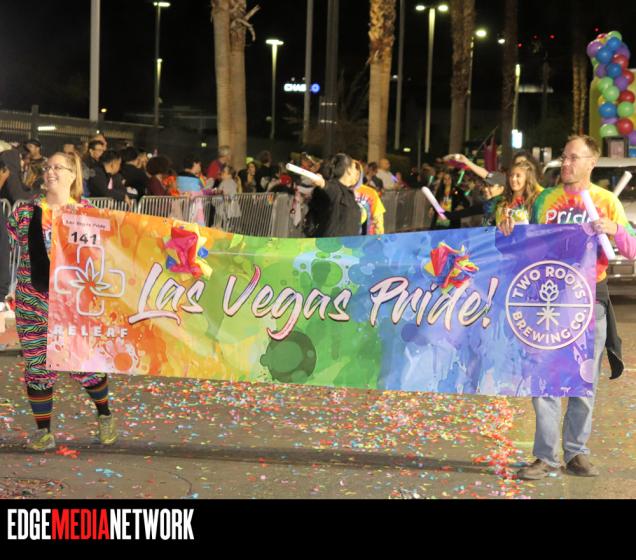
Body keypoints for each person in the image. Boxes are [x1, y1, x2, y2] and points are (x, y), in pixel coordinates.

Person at [499, 135, 636, 479]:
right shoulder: (545, 199)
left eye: (574, 157)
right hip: (547, 298)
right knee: (543, 378)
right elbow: (525, 244)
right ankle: (545, 456)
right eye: (564, 157)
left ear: (592, 162)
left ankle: (576, 453)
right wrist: (509, 230)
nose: (566, 163)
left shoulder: (606, 201)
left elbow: (632, 249)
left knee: (583, 379)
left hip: (590, 300)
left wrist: (614, 229)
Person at [7, 152, 117, 451]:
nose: (51, 171)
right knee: (37, 367)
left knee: (84, 365)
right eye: (47, 167)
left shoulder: (89, 215)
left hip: (73, 303)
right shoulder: (24, 213)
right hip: (33, 301)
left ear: (73, 174)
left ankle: (105, 414)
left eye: (58, 167)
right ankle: (44, 432)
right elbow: (15, 249)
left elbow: (105, 256)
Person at [304, 153, 362, 238]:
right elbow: (329, 188)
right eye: (355, 168)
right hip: (331, 244)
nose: (357, 173)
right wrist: (321, 182)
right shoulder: (335, 190)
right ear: (348, 170)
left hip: (347, 244)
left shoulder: (348, 194)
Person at [482, 161, 542, 227]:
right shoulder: (499, 201)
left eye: (518, 176)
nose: (513, 179)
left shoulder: (534, 201)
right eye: (511, 175)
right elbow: (487, 226)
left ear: (527, 178)